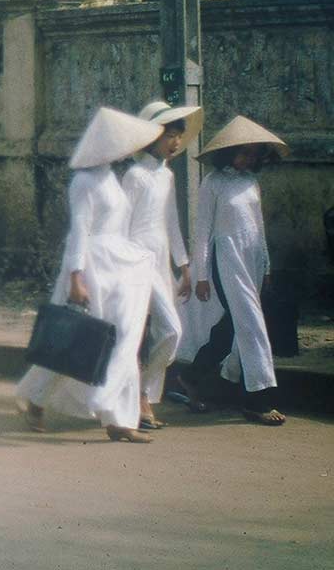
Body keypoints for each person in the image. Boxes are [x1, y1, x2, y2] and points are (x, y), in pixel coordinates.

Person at [16, 107, 162, 443]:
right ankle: (36, 398)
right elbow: (79, 230)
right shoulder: (84, 181)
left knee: (124, 335)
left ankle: (119, 420)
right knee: (77, 339)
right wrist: (75, 276)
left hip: (118, 263)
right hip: (92, 265)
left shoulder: (111, 176)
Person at [180, 116, 290, 426]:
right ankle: (257, 400)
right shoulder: (213, 183)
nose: (249, 158)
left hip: (251, 258)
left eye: (254, 154)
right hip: (225, 259)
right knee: (252, 326)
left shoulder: (251, 183)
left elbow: (259, 228)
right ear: (228, 153)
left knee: (233, 327)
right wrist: (201, 275)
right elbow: (202, 232)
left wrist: (266, 265)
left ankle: (194, 375)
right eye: (244, 152)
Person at [122, 101, 203, 429]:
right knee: (169, 329)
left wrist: (183, 265)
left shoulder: (165, 176)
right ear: (152, 136)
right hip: (137, 261)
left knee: (164, 332)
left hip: (160, 263)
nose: (176, 142)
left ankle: (140, 394)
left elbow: (170, 222)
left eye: (179, 136)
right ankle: (140, 397)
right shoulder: (135, 175)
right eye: (170, 135)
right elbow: (123, 224)